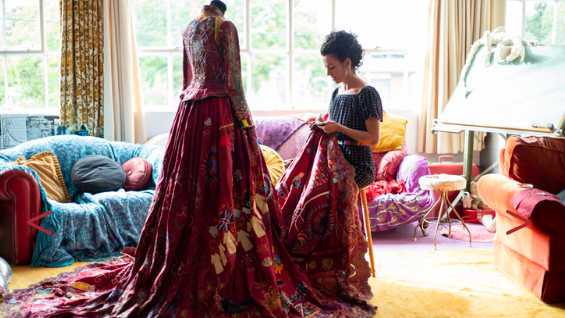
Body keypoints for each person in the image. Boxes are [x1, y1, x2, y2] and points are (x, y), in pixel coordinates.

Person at [0, 3, 375, 318]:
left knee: (189, 192)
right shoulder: (224, 28)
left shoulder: (188, 28)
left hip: (190, 116)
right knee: (230, 189)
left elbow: (186, 80)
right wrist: (246, 126)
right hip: (221, 116)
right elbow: (234, 83)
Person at [275, 30, 382, 317]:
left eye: (331, 67)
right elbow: (332, 126)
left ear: (348, 63)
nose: (328, 74)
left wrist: (338, 129)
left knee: (319, 194)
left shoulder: (368, 94)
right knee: (296, 189)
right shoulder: (337, 93)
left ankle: (328, 264)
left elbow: (372, 139)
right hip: (333, 163)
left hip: (357, 167)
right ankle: (300, 260)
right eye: (326, 68)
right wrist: (321, 123)